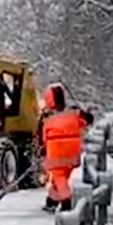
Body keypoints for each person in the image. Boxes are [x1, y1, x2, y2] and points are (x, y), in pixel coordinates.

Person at [40, 83, 91, 212]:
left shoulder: (47, 117)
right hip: (73, 152)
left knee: (59, 177)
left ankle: (66, 201)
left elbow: (43, 135)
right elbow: (87, 121)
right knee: (62, 177)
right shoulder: (74, 113)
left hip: (56, 151)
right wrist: (86, 114)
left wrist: (43, 149)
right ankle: (52, 201)